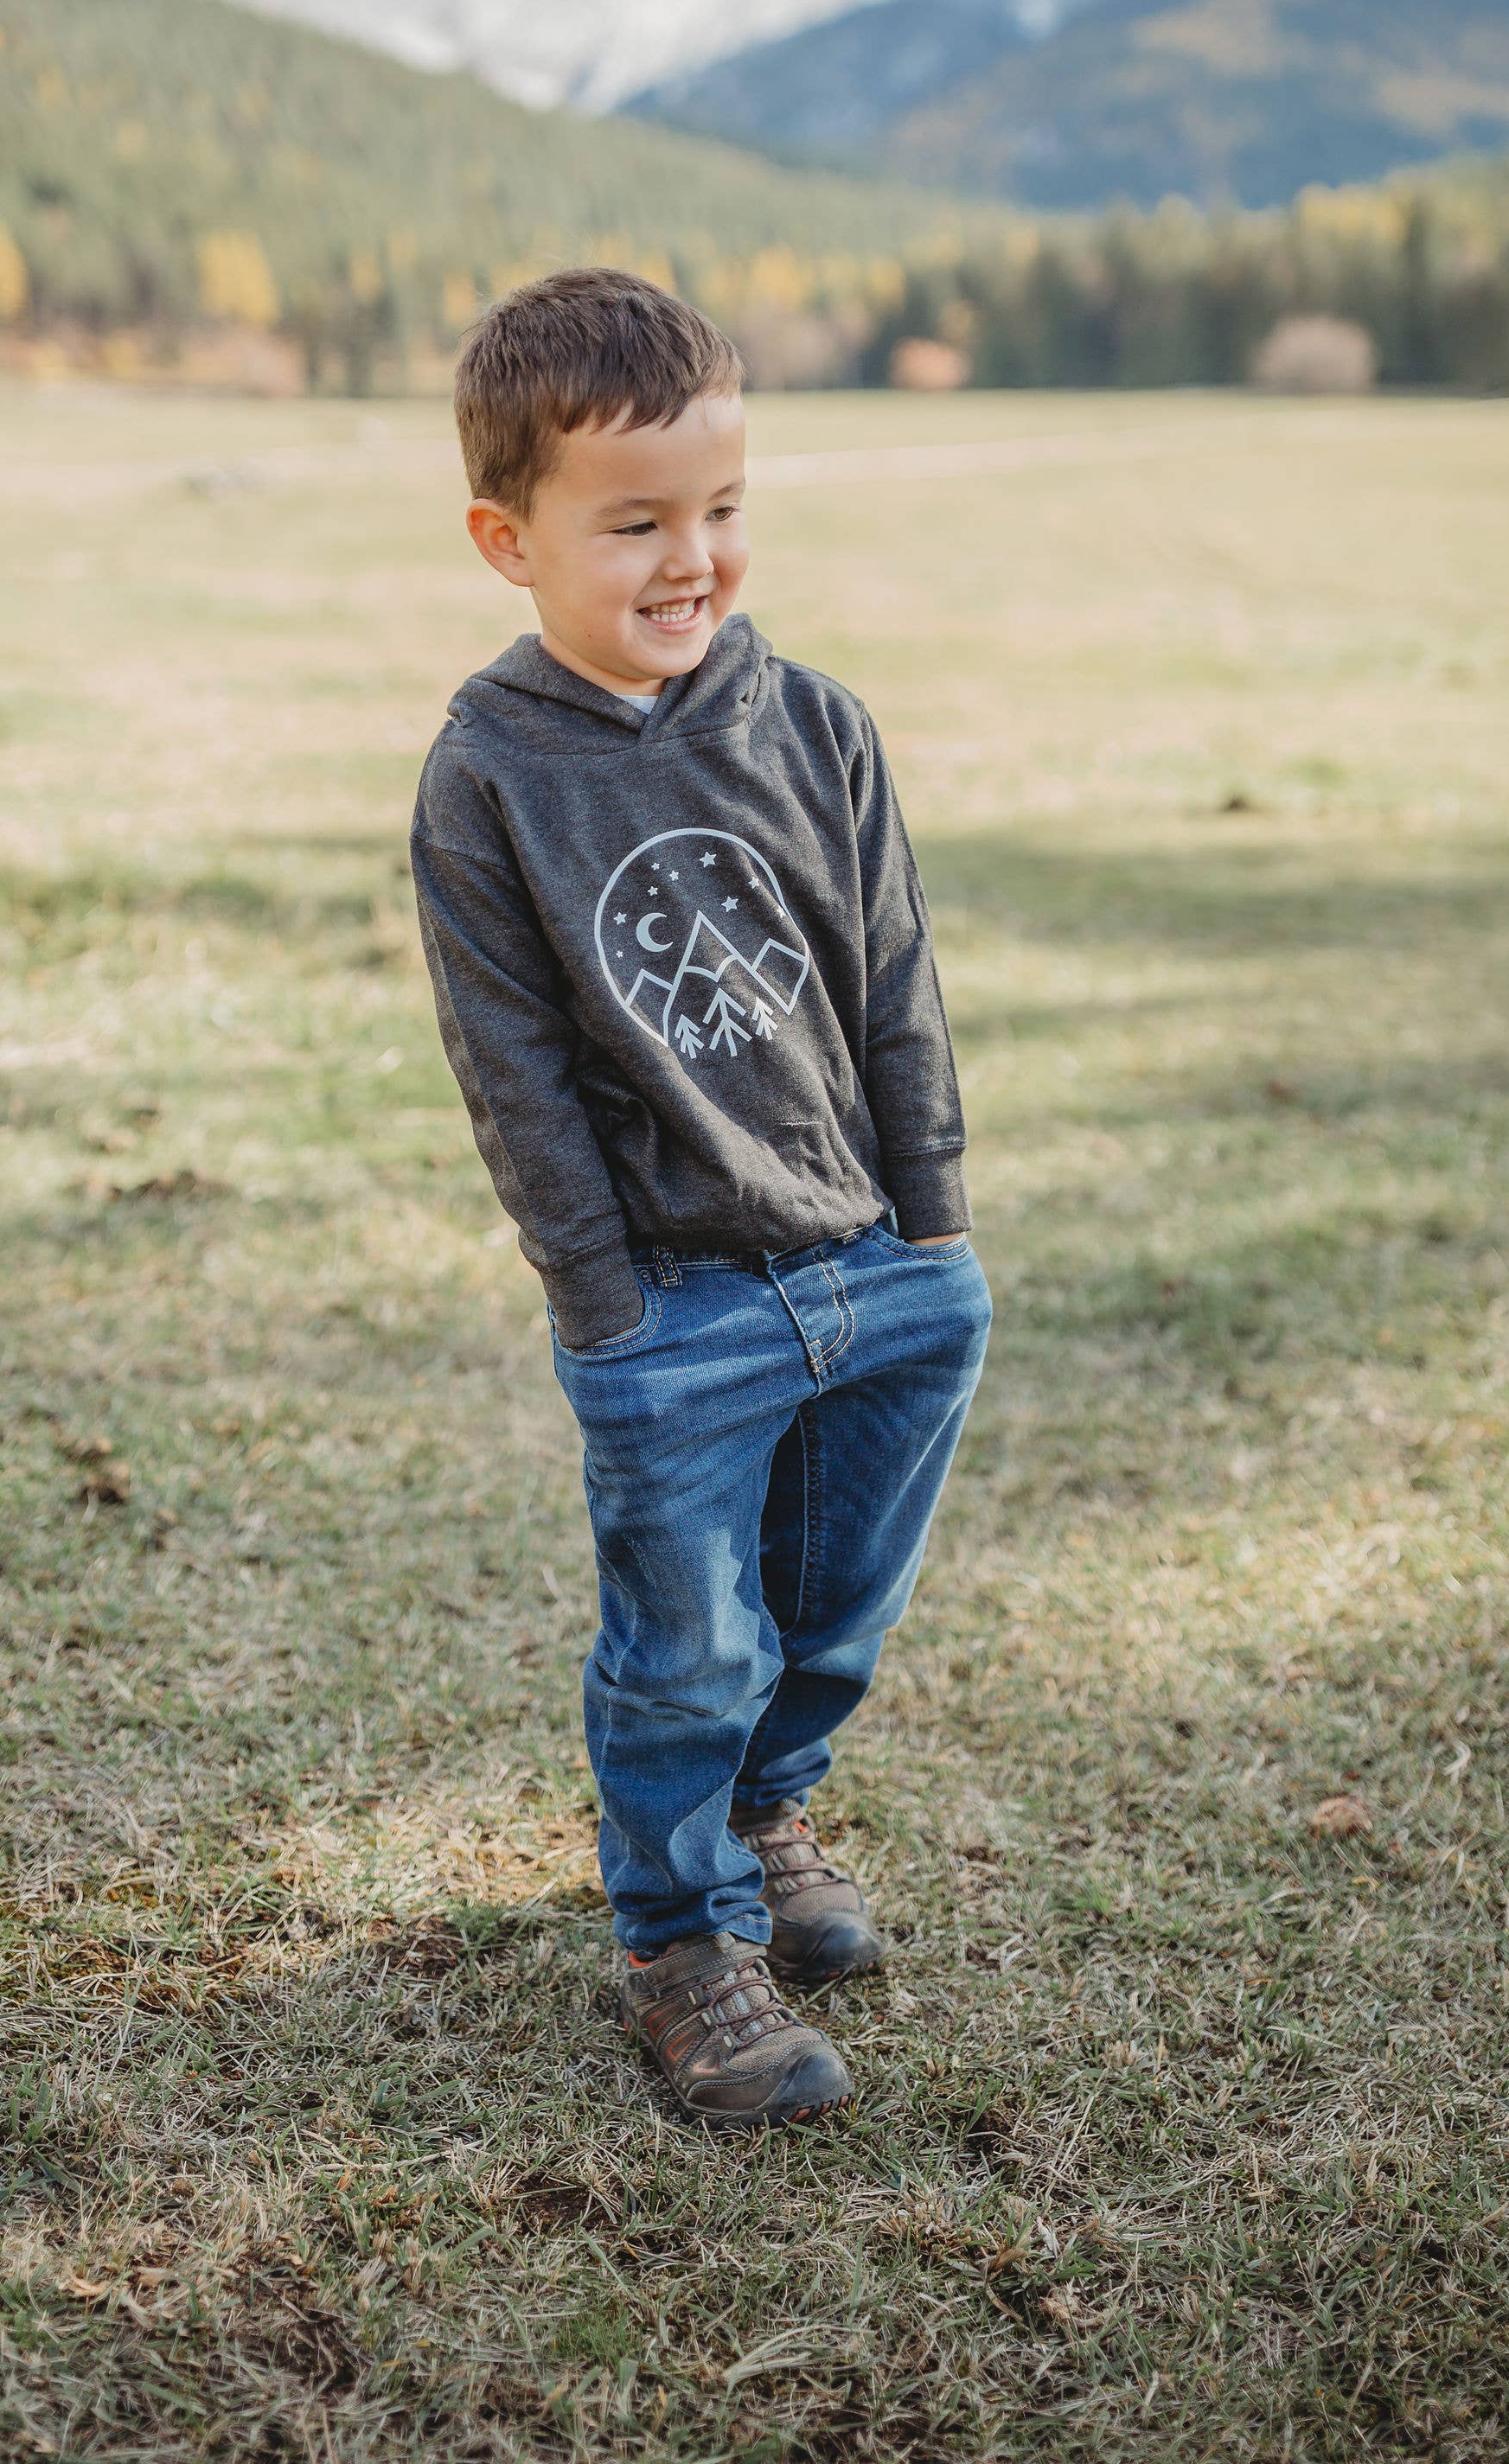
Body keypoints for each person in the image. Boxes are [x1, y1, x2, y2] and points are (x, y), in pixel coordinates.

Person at [410, 267, 990, 2129]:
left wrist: (934, 1222)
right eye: (637, 522)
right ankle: (678, 1941)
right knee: (687, 1649)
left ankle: (765, 1813)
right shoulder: (490, 777)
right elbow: (514, 1070)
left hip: (874, 1264)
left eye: (724, 508)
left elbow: (892, 977)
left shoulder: (815, 725)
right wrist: (604, 1305)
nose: (694, 559)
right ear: (509, 540)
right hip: (673, 1307)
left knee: (833, 1610)